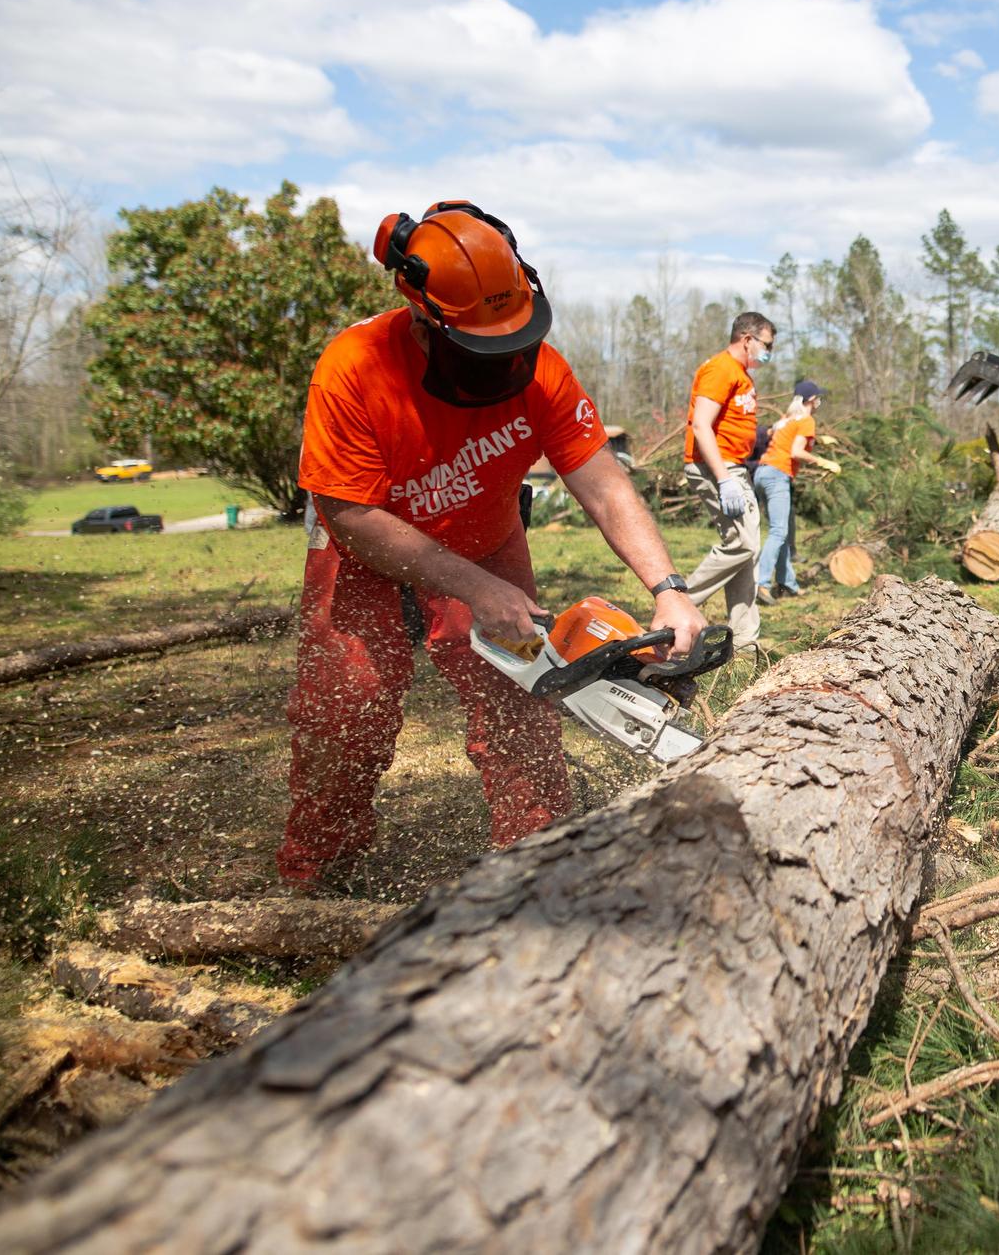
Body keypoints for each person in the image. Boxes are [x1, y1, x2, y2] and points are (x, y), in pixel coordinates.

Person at [277, 200, 706, 889]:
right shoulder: (353, 368)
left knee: (523, 703)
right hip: (368, 545)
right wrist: (474, 589)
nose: (507, 361)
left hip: (486, 535)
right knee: (347, 705)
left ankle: (537, 863)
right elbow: (350, 514)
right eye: (486, 347)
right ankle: (317, 870)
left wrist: (669, 587)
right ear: (425, 318)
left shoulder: (543, 372)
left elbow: (603, 483)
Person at [682, 312, 774, 647]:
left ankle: (745, 643)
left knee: (749, 552)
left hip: (734, 467)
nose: (769, 353)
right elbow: (701, 425)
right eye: (767, 345)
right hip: (716, 468)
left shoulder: (741, 373)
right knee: (742, 543)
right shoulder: (720, 369)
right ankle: (679, 604)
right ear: (747, 339)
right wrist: (723, 479)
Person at [753, 379, 840, 601]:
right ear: (812, 400)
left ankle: (787, 583)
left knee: (780, 529)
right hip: (778, 474)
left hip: (762, 473)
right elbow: (796, 452)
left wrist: (818, 440)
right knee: (779, 531)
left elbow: (779, 437)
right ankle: (761, 583)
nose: (819, 401)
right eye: (818, 398)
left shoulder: (787, 419)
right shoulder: (807, 420)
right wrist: (822, 462)